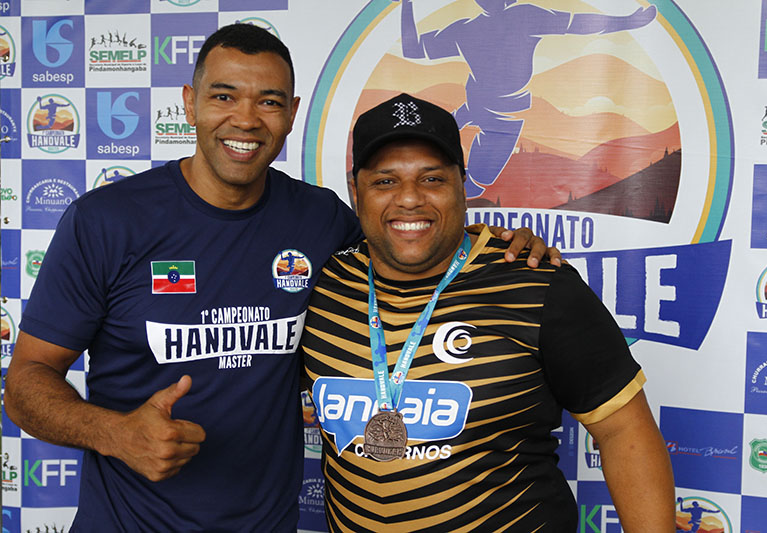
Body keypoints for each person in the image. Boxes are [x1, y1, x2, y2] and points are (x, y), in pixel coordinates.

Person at [4, 25, 556, 530]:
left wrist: (489, 243)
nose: (246, 120)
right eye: (224, 97)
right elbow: (26, 382)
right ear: (190, 104)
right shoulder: (107, 221)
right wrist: (116, 434)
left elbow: (409, 246)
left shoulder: (321, 219)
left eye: (268, 102)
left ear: (291, 114)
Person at [302, 93, 675, 532]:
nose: (409, 199)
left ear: (462, 185)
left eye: (432, 179)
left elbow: (624, 432)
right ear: (355, 191)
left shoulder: (537, 283)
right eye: (385, 181)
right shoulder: (323, 284)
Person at [395, 0, 657, 198]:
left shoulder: (513, 19)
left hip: (494, 109)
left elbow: (577, 23)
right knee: (471, 183)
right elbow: (413, 49)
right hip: (492, 110)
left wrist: (628, 21)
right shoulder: (480, 26)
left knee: (472, 181)